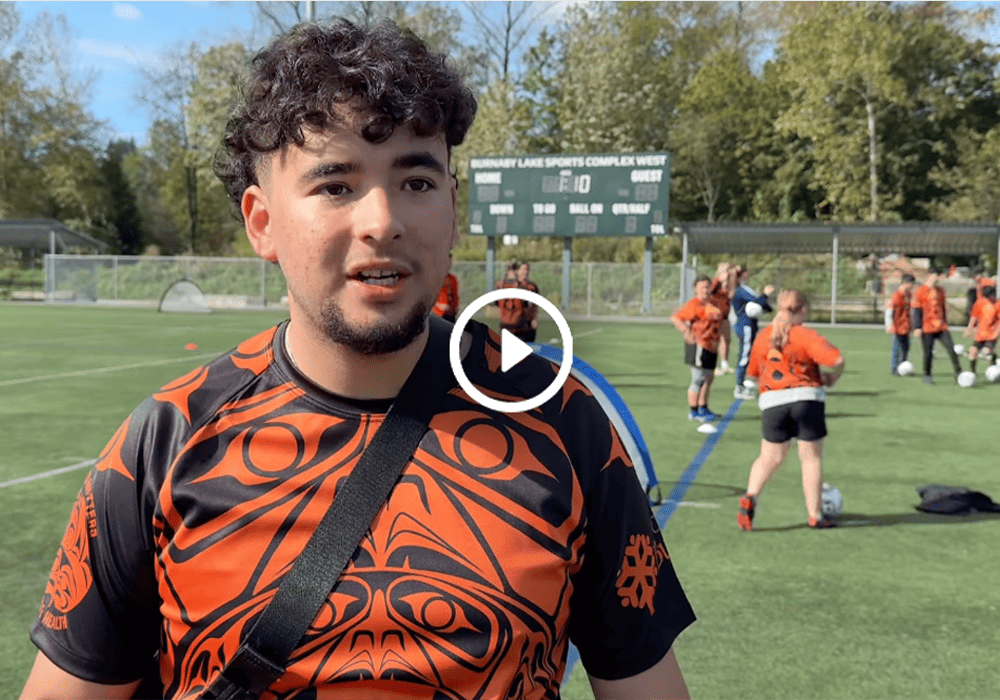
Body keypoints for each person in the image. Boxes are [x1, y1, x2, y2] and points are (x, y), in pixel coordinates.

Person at [20, 19, 695, 700]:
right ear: (262, 223)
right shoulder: (165, 442)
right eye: (336, 185)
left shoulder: (563, 423)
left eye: (418, 182)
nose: (382, 220)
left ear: (454, 209)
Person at [737, 289, 845, 532]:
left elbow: (751, 375)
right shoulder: (806, 335)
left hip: (773, 401)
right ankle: (814, 515)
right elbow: (837, 359)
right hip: (807, 399)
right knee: (810, 459)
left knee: (769, 457)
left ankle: (750, 497)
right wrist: (833, 377)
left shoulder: (764, 337)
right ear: (803, 309)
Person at [671, 275, 725, 423]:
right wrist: (686, 331)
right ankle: (693, 411)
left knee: (708, 378)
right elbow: (676, 318)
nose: (706, 290)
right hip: (698, 346)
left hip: (711, 346)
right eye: (702, 287)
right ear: (696, 289)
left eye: (708, 287)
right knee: (698, 378)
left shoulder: (712, 303)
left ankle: (703, 407)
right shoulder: (694, 304)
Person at [910, 267, 963, 384]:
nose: (938, 278)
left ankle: (959, 373)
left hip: (941, 327)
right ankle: (927, 374)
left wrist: (945, 321)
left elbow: (942, 307)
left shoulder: (940, 290)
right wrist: (917, 327)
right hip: (927, 328)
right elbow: (916, 310)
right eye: (937, 275)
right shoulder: (921, 291)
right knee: (928, 353)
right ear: (930, 275)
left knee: (951, 349)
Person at [730, 266, 774, 400]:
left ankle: (759, 382)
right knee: (745, 354)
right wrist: (765, 295)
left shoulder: (745, 288)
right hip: (745, 326)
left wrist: (766, 306)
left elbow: (760, 303)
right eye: (743, 272)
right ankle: (739, 386)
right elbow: (756, 301)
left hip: (751, 325)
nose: (747, 274)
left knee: (755, 353)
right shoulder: (739, 291)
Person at [964, 285, 999, 374]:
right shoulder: (979, 303)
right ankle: (973, 372)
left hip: (991, 335)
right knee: (972, 352)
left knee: (986, 352)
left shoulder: (998, 304)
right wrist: (969, 328)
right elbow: (974, 316)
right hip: (980, 335)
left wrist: (997, 332)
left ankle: (993, 361)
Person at [886, 274, 916, 375]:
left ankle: (903, 368)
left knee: (905, 348)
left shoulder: (908, 295)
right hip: (898, 326)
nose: (913, 286)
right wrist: (889, 324)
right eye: (911, 283)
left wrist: (911, 324)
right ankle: (895, 369)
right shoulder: (897, 295)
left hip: (906, 326)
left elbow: (909, 311)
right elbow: (890, 310)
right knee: (897, 348)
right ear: (905, 283)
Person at [710, 262, 736, 377]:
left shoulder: (728, 284)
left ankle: (724, 365)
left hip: (724, 316)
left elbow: (731, 294)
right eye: (724, 270)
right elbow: (710, 291)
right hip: (714, 316)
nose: (727, 272)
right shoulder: (715, 283)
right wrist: (719, 279)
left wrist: (732, 278)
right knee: (714, 340)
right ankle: (712, 365)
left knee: (726, 339)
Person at [516, 260, 540, 342]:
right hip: (515, 325)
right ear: (517, 271)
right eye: (522, 269)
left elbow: (535, 305)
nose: (525, 272)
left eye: (526, 269)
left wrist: (534, 319)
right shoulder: (512, 286)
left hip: (528, 325)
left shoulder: (532, 287)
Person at [432, 257, 459, 323]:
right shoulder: (435, 278)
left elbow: (455, 295)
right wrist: (438, 305)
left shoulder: (452, 278)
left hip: (450, 315)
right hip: (439, 314)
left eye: (449, 262)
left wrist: (455, 307)